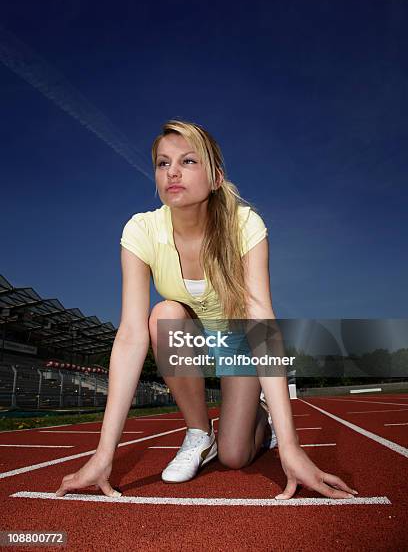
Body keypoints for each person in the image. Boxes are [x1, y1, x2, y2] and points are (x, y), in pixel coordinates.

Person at [55, 120, 357, 500]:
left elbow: (260, 320)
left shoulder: (243, 225)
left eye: (188, 161)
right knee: (163, 315)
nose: (173, 172)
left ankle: (258, 419)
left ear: (215, 177)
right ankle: (199, 433)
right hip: (188, 338)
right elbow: (131, 334)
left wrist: (293, 447)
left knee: (234, 456)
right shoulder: (140, 231)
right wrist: (103, 455)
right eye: (163, 164)